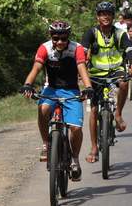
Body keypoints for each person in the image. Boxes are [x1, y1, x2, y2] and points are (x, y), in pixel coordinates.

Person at [20, 20, 94, 181]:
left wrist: (88, 87)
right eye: (56, 38)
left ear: (68, 37)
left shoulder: (77, 48)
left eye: (63, 38)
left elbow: (82, 68)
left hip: (71, 90)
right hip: (51, 89)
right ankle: (46, 144)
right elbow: (36, 67)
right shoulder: (44, 48)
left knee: (75, 128)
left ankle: (74, 159)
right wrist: (27, 84)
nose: (59, 42)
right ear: (51, 37)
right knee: (43, 110)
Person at [81, 2, 132, 163]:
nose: (105, 16)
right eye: (102, 14)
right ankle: (93, 147)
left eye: (108, 13)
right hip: (95, 75)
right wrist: (82, 64)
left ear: (113, 17)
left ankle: (118, 113)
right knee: (93, 111)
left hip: (115, 71)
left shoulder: (120, 33)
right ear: (97, 17)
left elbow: (129, 49)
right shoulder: (91, 33)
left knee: (124, 83)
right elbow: (83, 50)